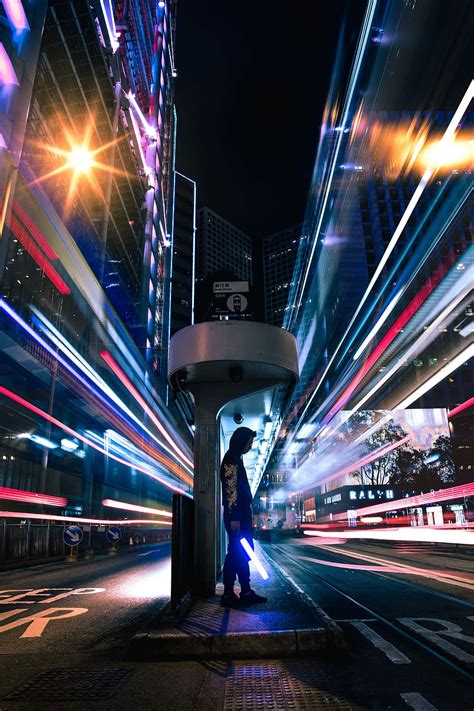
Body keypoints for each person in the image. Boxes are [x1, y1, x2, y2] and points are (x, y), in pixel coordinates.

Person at [220, 426, 268, 607]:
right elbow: (231, 490)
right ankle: (230, 594)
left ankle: (241, 592)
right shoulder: (231, 460)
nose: (251, 445)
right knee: (235, 554)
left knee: (239, 554)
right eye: (249, 442)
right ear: (242, 442)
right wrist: (234, 517)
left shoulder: (235, 458)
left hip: (239, 515)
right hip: (237, 517)